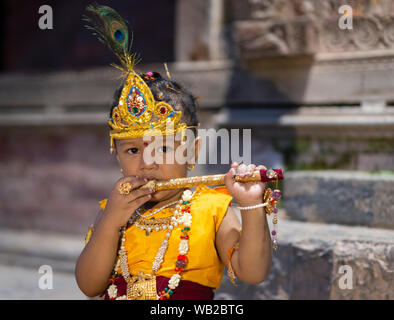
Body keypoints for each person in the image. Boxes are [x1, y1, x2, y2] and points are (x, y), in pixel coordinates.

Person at [75, 4, 275, 300]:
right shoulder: (114, 210)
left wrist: (251, 206)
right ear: (115, 154)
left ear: (192, 152)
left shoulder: (212, 208)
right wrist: (111, 222)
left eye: (164, 147)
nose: (147, 163)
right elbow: (89, 286)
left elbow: (252, 272)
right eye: (132, 149)